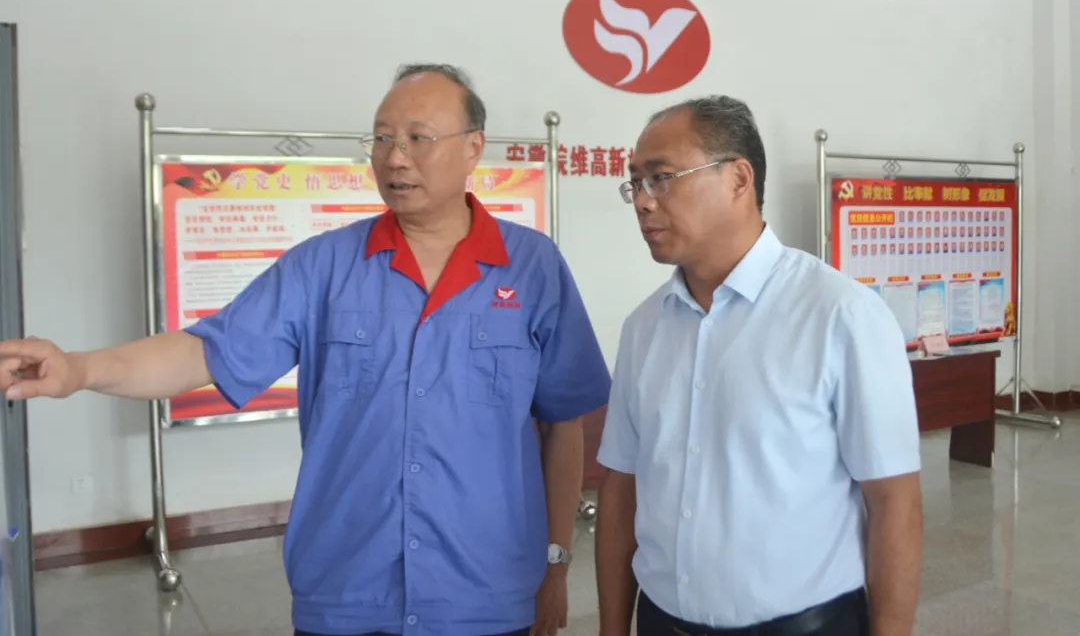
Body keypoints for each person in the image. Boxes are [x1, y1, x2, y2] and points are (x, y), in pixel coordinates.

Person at [0, 64, 612, 636]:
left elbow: (563, 423)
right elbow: (200, 353)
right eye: (381, 138)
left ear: (473, 147)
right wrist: (78, 369)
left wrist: (556, 562)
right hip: (346, 589)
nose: (395, 157)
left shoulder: (532, 267)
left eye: (418, 138)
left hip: (487, 592)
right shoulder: (323, 267)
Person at [593, 96, 922, 636]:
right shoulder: (644, 328)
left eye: (662, 178)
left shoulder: (840, 315)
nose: (644, 202)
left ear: (738, 179)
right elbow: (621, 487)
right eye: (636, 183)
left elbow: (894, 504)